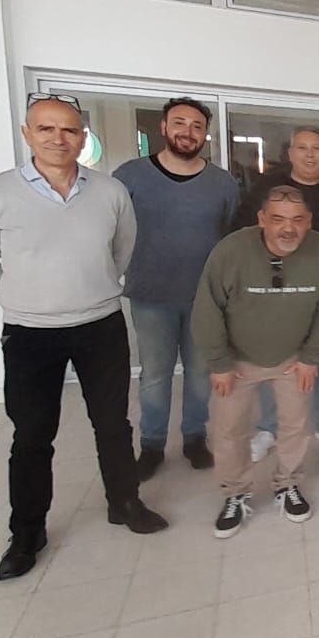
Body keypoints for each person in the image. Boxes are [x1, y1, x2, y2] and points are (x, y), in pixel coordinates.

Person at [0, 95, 168, 582]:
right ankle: (27, 533)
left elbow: (122, 250)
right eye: (46, 129)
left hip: (100, 325)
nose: (59, 138)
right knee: (32, 435)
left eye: (70, 130)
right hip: (30, 332)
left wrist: (93, 286)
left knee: (112, 423)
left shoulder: (109, 192)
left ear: (83, 137)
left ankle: (124, 502)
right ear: (27, 134)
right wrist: (20, 295)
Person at [192, 185, 319, 538]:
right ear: (262, 219)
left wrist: (311, 356)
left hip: (294, 356)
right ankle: (235, 492)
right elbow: (207, 307)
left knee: (296, 426)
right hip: (237, 359)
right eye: (278, 219)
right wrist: (219, 362)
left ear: (309, 221)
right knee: (229, 429)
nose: (288, 228)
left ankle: (287, 485)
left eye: (297, 220)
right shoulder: (231, 251)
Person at [112, 97, 239, 481]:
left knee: (200, 373)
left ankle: (194, 439)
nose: (188, 132)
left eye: (197, 126)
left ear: (205, 134)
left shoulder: (222, 183)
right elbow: (111, 228)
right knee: (155, 375)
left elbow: (230, 236)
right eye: (180, 123)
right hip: (151, 296)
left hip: (206, 299)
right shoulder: (130, 176)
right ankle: (151, 445)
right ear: (164, 128)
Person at [241, 126, 319, 462]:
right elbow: (246, 235)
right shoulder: (267, 189)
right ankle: (269, 428)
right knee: (275, 365)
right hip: (279, 298)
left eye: (317, 148)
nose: (310, 154)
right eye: (303, 148)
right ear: (291, 153)